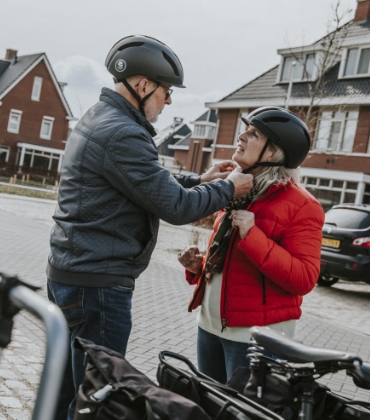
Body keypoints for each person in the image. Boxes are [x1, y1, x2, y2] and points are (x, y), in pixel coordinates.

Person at [46, 35, 253, 420]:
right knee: (97, 396)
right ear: (143, 86)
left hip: (73, 274)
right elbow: (174, 206)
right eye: (167, 91)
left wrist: (202, 179)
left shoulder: (101, 118)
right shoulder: (123, 133)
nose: (169, 100)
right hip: (98, 285)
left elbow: (148, 185)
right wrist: (228, 188)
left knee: (64, 390)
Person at [178, 107, 325, 384]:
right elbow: (231, 262)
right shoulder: (238, 191)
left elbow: (304, 278)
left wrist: (252, 234)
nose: (242, 135)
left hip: (256, 339)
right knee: (211, 409)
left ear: (273, 152)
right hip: (210, 328)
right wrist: (198, 267)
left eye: (254, 133)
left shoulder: (302, 205)